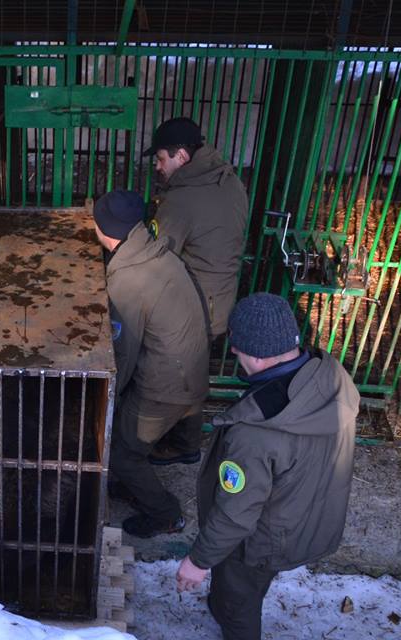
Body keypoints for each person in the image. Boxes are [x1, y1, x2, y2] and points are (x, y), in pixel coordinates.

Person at [175, 293, 358, 640]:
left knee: (239, 603)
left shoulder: (255, 436)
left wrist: (197, 562)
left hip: (260, 543)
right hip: (306, 518)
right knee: (246, 587)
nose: (233, 353)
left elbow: (236, 513)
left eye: (238, 348)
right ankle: (222, 602)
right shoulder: (329, 376)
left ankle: (228, 611)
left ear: (258, 356)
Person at [92, 190, 210, 538]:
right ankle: (135, 486)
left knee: (120, 451)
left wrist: (104, 400)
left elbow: (122, 356)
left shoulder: (128, 280)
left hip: (167, 388)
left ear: (106, 230)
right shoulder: (156, 252)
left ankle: (165, 514)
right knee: (129, 436)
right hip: (190, 372)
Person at [145, 117, 249, 466]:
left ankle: (168, 441)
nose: (157, 167)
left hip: (191, 308)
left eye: (161, 159)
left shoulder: (183, 200)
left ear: (182, 157)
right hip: (219, 303)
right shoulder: (229, 180)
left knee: (170, 374)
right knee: (193, 372)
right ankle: (185, 442)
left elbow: (157, 255)